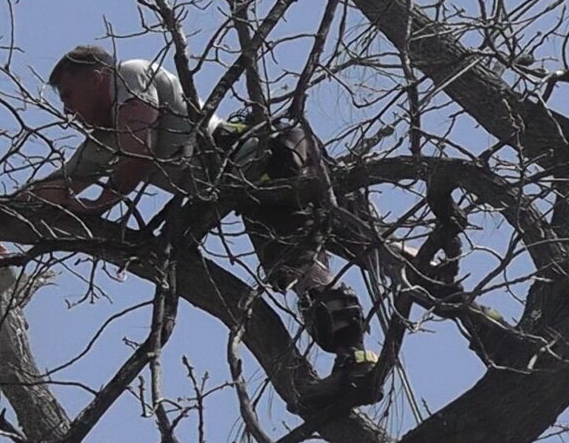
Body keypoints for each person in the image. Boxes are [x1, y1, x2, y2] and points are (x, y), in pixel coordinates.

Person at [23, 45, 379, 401]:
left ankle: (358, 357)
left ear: (97, 77)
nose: (68, 110)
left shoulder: (129, 74)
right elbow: (56, 186)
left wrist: (98, 203)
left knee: (301, 262)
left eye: (70, 95)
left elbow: (138, 148)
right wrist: (5, 210)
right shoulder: (103, 141)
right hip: (246, 185)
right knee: (331, 258)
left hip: (265, 160)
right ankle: (419, 287)